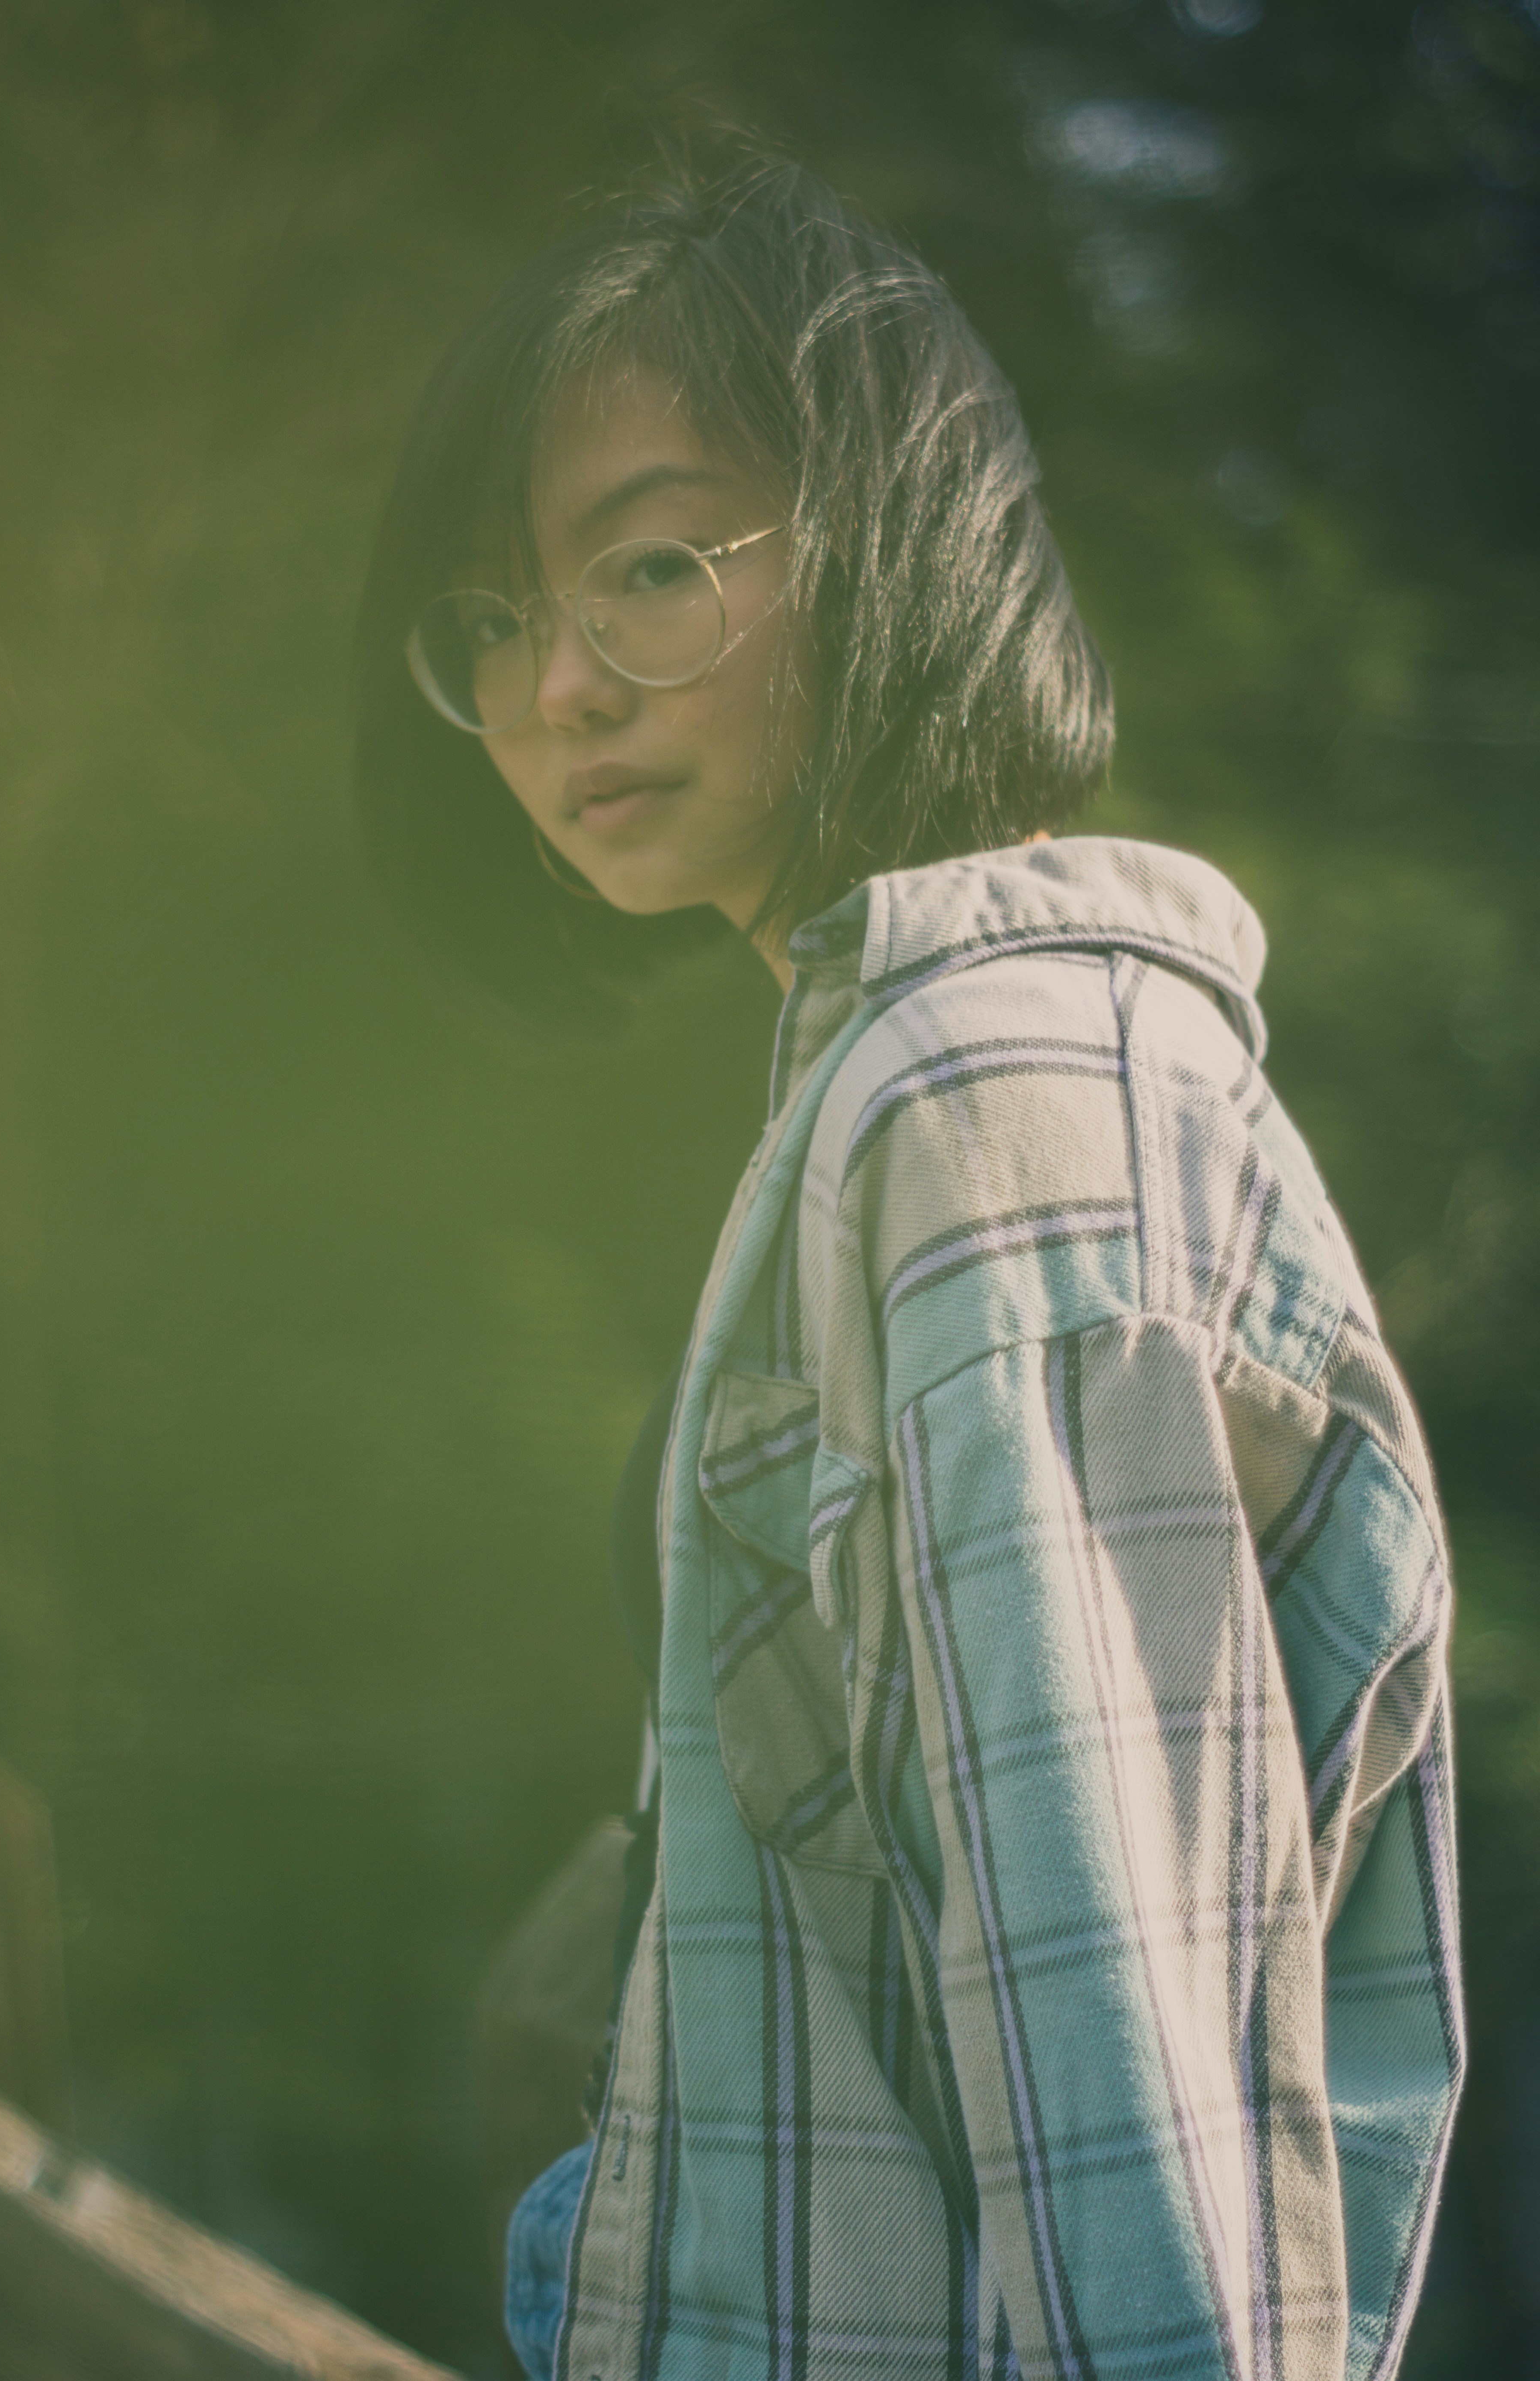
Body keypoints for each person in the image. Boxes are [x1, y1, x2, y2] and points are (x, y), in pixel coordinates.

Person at [357, 151, 1462, 2381]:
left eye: (649, 569)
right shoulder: (926, 1075)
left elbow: (1123, 2088)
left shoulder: (993, 1108)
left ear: (895, 539)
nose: (556, 685)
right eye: (490, 617)